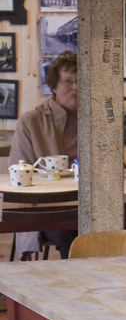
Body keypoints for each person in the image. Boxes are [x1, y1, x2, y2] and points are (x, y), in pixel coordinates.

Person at [9, 50, 78, 259]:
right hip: (47, 209)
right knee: (73, 234)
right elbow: (19, 176)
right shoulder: (31, 122)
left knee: (118, 228)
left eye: (81, 82)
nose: (76, 87)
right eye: (68, 81)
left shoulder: (98, 121)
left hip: (90, 206)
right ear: (54, 87)